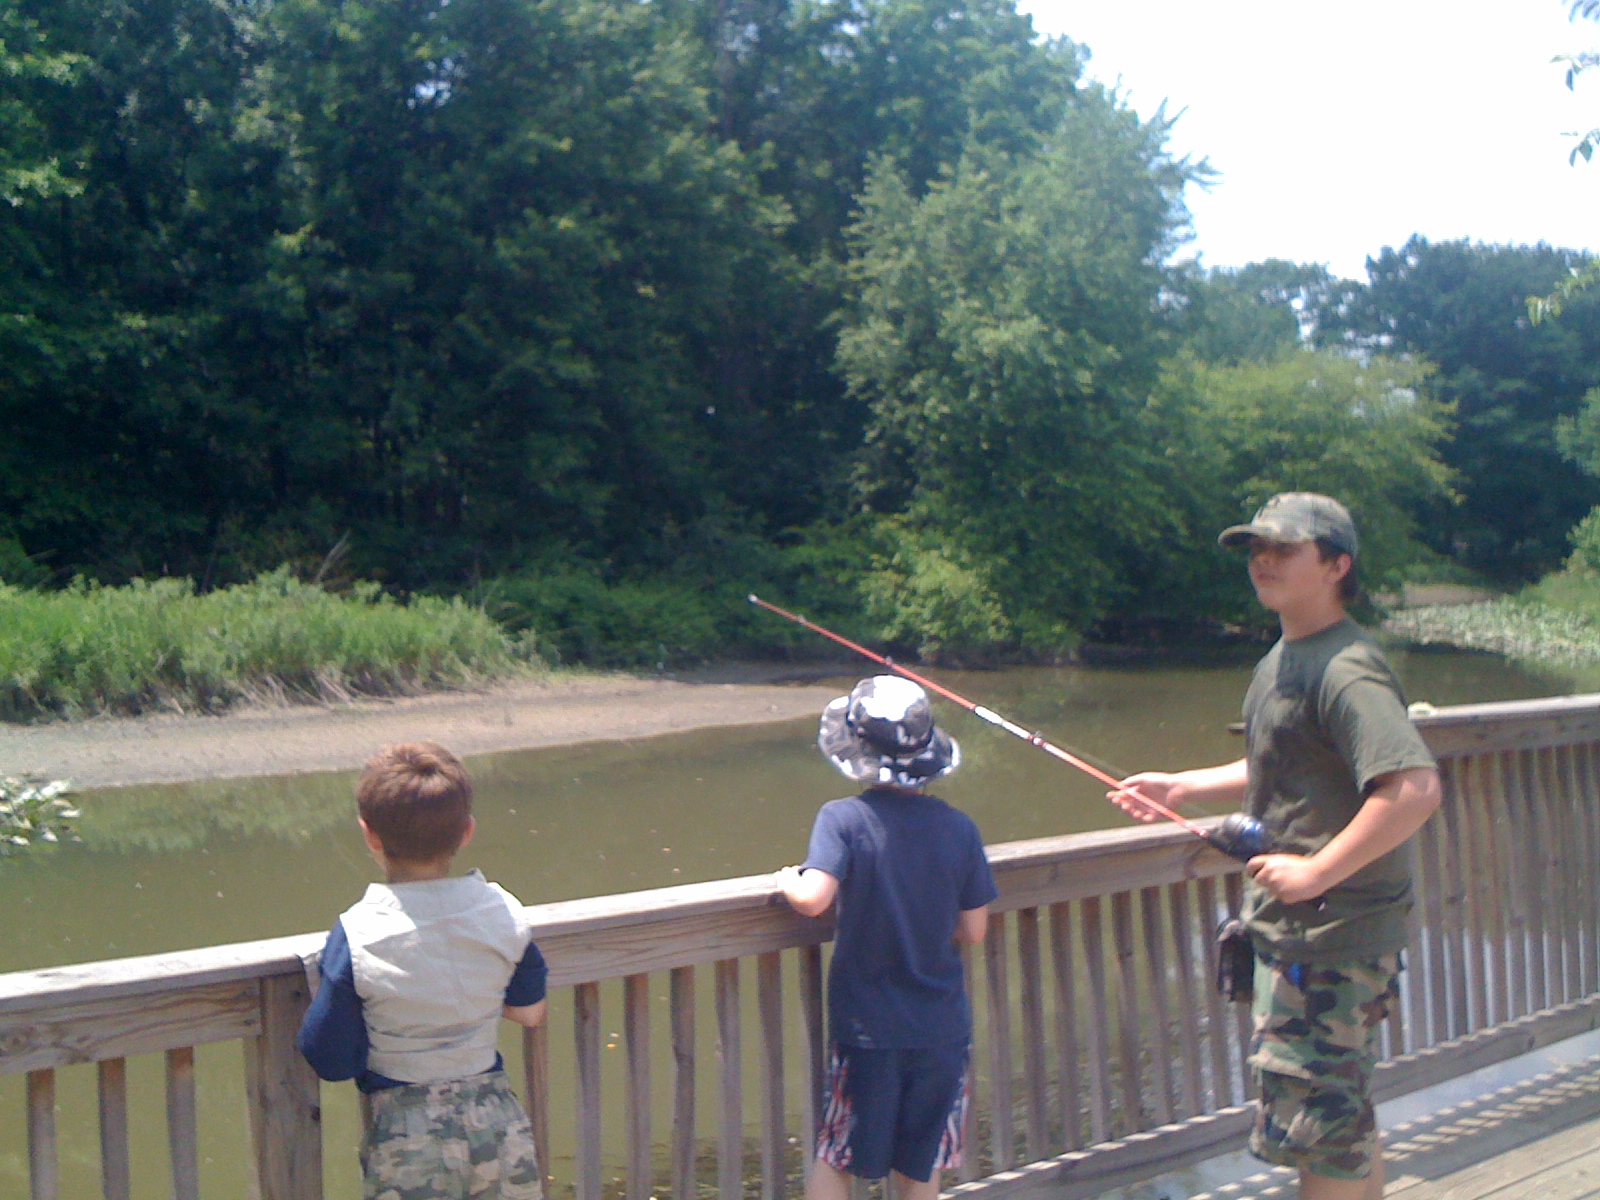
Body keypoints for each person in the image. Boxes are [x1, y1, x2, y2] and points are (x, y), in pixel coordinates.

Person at [1110, 493, 1441, 1200]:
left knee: (1322, 1134)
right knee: (1336, 1123)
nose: (1263, 560)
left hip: (1333, 937)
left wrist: (1318, 868)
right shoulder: (1285, 657)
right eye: (1255, 548)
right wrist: (1182, 786)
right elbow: (1281, 760)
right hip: (1301, 935)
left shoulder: (1346, 668)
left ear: (1336, 564)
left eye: (1283, 548)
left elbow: (1412, 789)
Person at [777, 675, 998, 1200]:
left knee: (840, 1155)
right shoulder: (960, 828)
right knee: (922, 1164)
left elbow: (813, 899)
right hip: (942, 1028)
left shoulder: (843, 819)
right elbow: (974, 928)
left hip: (869, 1028)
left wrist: (788, 880)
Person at [298, 741, 547, 1200]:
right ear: (467, 831)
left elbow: (329, 1057)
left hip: (408, 1131)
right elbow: (530, 1011)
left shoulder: (358, 934)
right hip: (497, 1119)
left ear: (370, 835)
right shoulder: (502, 912)